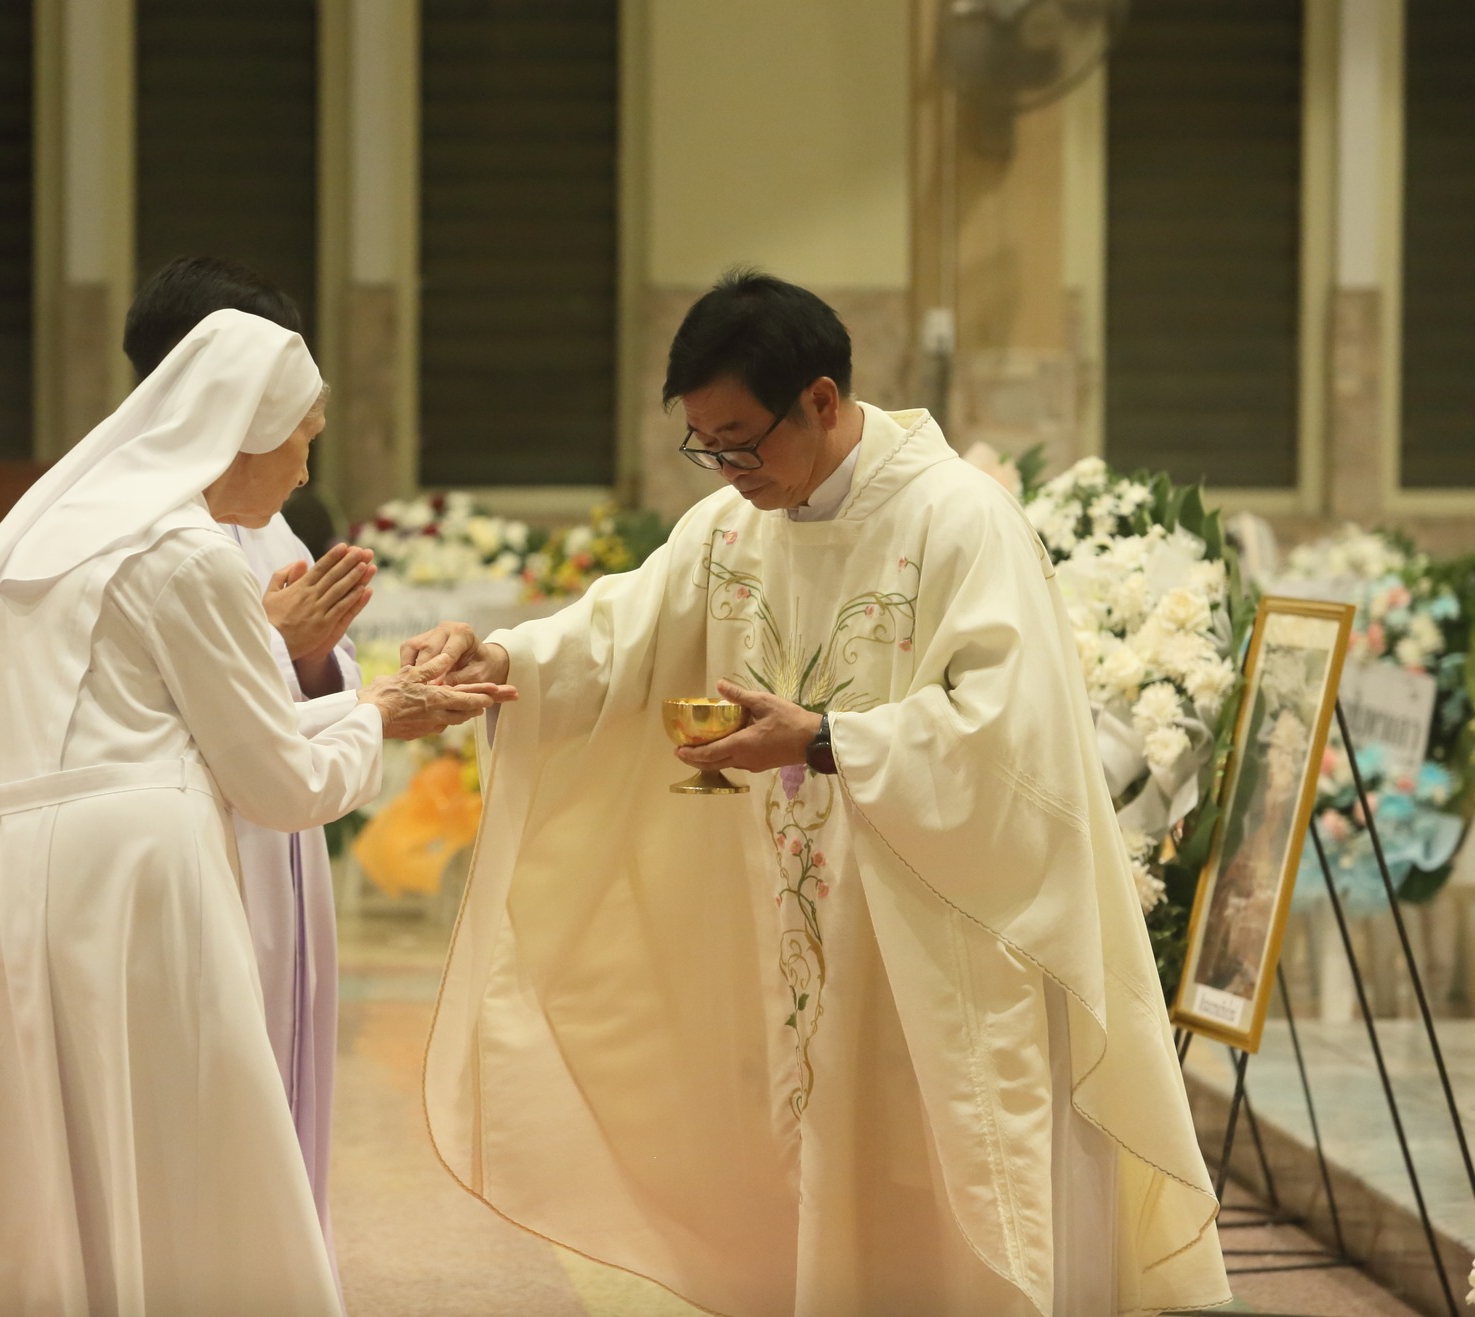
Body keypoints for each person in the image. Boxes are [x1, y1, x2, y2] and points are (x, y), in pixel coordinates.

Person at [406, 271, 1229, 1315]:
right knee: (827, 1179)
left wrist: (833, 740)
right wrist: (492, 654)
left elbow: (1009, 732)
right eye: (704, 443)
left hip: (937, 933)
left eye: (741, 439)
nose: (726, 468)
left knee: (937, 1182)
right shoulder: (730, 529)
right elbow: (616, 636)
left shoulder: (957, 519)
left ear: (823, 401)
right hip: (806, 931)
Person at [0, 310, 513, 1316]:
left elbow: (32, 726)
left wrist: (351, 711)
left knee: (34, 1159)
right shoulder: (183, 552)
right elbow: (278, 785)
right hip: (134, 877)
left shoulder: (42, 532)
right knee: (177, 1152)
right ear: (243, 427)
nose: (301, 465)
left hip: (5, 863)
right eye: (301, 436)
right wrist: (375, 716)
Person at [123, 255, 372, 1262]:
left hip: (277, 834)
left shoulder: (260, 512)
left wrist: (309, 654)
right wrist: (275, 648)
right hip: (188, 849)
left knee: (282, 1058)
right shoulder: (132, 518)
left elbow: (305, 675)